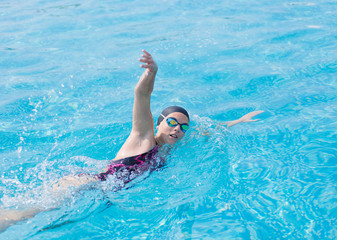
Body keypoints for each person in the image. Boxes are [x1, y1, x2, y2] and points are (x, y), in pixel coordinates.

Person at [0, 50, 263, 231]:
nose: (178, 130)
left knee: (45, 221)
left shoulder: (174, 142)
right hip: (86, 184)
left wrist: (238, 122)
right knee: (28, 212)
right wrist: (151, 74)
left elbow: (205, 128)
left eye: (183, 127)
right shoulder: (144, 137)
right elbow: (142, 96)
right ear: (159, 122)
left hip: (102, 193)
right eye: (172, 122)